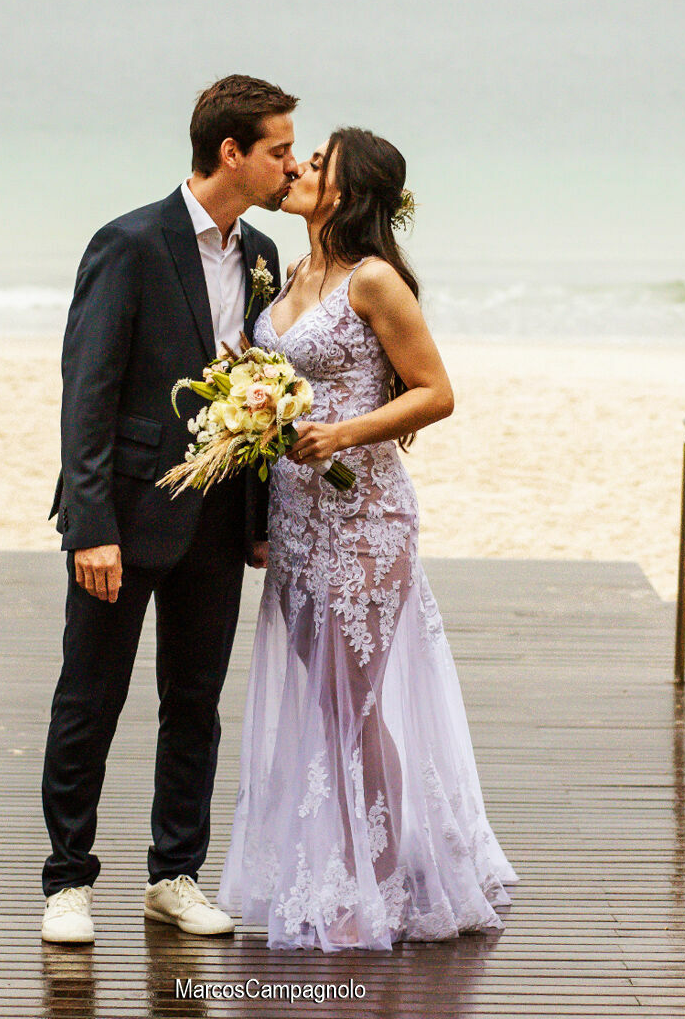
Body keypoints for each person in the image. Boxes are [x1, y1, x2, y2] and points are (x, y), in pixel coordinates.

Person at [218, 128, 517, 951]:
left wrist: (342, 434)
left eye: (315, 164)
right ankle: (358, 860)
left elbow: (435, 392)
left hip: (364, 520)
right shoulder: (283, 276)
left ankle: (370, 882)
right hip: (293, 520)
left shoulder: (373, 280)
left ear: (345, 193)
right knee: (334, 699)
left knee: (347, 706)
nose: (297, 168)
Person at [41, 75, 299, 944]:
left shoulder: (261, 251)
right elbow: (89, 393)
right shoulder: (129, 243)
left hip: (219, 523)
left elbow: (260, 388)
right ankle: (66, 882)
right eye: (278, 149)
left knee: (194, 703)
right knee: (91, 698)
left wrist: (259, 516)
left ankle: (174, 875)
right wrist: (91, 527)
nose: (289, 164)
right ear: (231, 153)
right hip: (123, 517)